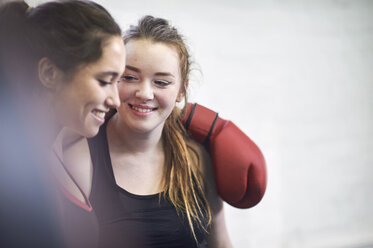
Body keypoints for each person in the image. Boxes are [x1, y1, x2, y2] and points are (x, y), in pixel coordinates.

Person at [87, 15, 233, 247]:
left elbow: (221, 242)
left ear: (181, 91)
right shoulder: (83, 151)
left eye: (162, 82)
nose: (144, 93)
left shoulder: (195, 157)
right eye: (130, 77)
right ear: (114, 78)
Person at [0, 1, 126, 247]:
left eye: (118, 81)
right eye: (104, 81)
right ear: (49, 73)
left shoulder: (52, 143)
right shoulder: (11, 164)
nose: (116, 100)